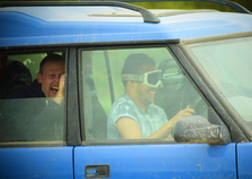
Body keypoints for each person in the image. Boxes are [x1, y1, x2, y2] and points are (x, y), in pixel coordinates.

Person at [107, 53, 195, 139]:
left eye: (156, 79)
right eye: (151, 79)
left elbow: (169, 144)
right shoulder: (122, 109)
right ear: (132, 82)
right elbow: (137, 149)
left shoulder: (157, 111)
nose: (156, 86)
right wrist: (171, 124)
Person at [0, 54, 65, 141]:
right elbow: (32, 133)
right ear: (39, 78)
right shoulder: (21, 96)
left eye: (62, 76)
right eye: (52, 75)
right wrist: (59, 95)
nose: (58, 81)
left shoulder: (71, 97)